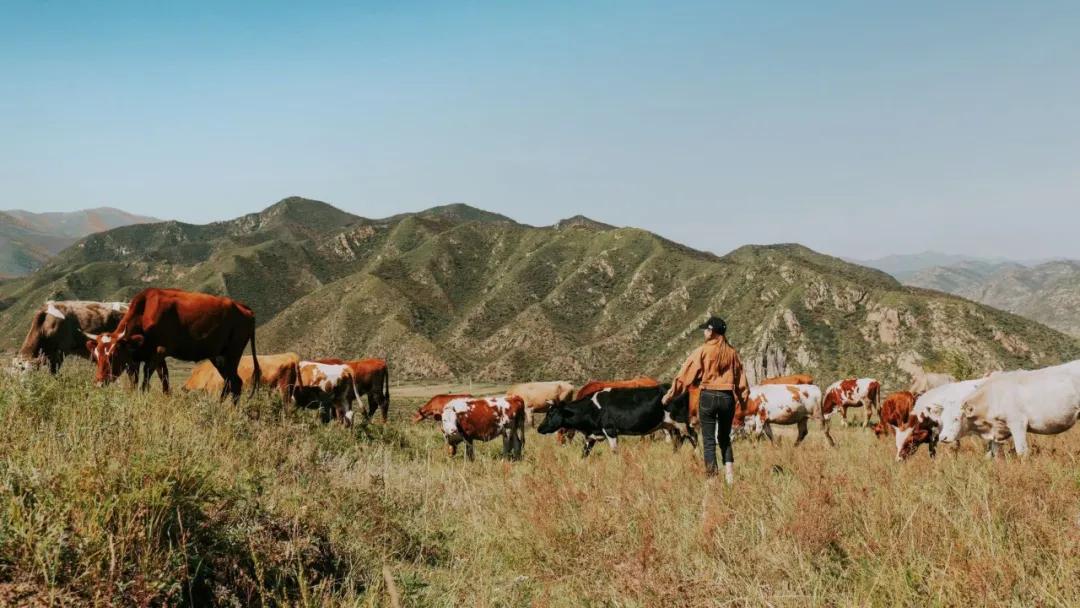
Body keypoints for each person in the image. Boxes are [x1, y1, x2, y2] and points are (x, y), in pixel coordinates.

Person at [662, 316, 749, 485]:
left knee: (709, 441)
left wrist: (670, 396)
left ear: (712, 332)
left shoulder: (702, 351)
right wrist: (743, 405)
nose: (705, 332)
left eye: (706, 329)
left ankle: (712, 482)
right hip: (727, 398)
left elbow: (684, 376)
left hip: (708, 396)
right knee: (724, 438)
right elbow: (742, 383)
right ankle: (730, 480)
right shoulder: (732, 353)